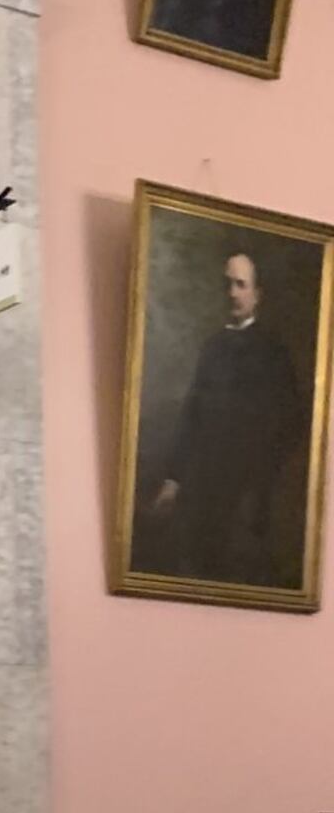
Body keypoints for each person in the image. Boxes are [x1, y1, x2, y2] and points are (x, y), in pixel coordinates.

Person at [140, 251, 303, 588]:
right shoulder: (212, 348)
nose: (232, 293)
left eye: (241, 285)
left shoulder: (274, 352)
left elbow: (290, 423)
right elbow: (192, 416)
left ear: (257, 294)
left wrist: (260, 475)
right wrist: (173, 480)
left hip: (251, 494)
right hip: (204, 490)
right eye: (227, 284)